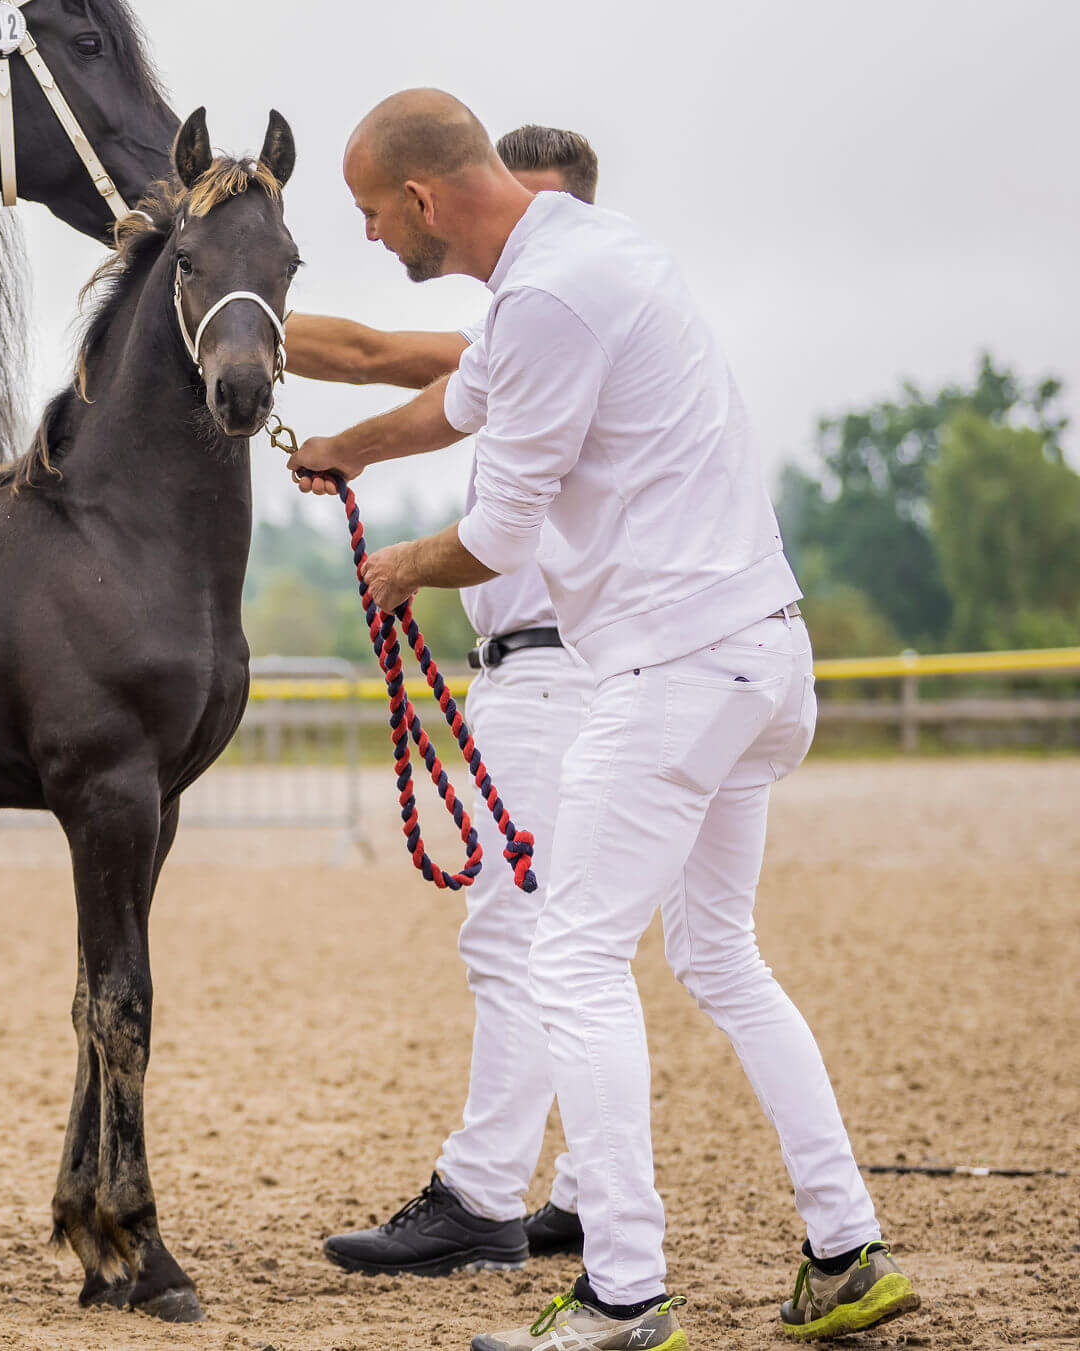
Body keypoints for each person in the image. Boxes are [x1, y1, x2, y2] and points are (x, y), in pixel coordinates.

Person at [286, 90, 920, 1349]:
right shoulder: (596, 254)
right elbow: (457, 406)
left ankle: (624, 1290)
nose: (368, 237)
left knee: (565, 958)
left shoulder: (542, 298)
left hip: (670, 668)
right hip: (761, 654)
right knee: (720, 958)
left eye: (368, 213)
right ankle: (844, 1251)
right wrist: (351, 451)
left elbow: (500, 533)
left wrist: (404, 563)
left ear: (420, 199)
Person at [285, 125, 603, 1280]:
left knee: (512, 929)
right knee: (580, 935)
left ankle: (478, 1195)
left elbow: (377, 355)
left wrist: (407, 559)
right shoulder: (533, 326)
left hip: (552, 663)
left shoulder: (547, 322)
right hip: (576, 660)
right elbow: (368, 354)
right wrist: (230, 324)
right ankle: (578, 1189)